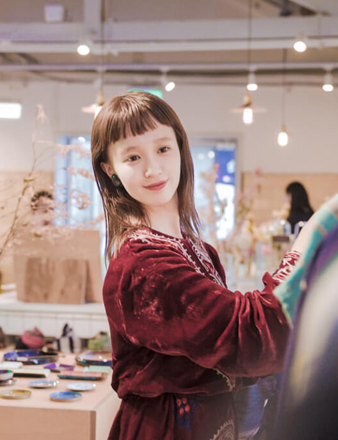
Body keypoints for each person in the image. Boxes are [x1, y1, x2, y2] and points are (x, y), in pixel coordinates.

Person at [91, 92, 298, 440]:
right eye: (133, 157)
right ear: (111, 170)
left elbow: (228, 351)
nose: (153, 169)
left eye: (162, 148)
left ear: (180, 149)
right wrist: (305, 249)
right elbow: (245, 336)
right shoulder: (143, 264)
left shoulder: (201, 250)